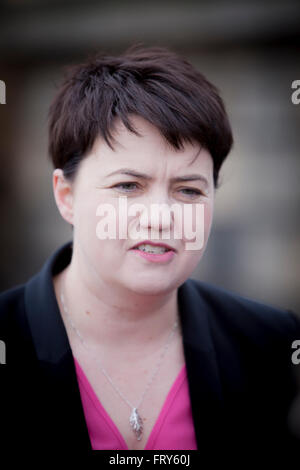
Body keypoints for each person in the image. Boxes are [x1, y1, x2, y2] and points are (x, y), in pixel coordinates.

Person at [0, 44, 299, 458]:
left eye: (189, 190)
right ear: (66, 195)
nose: (161, 217)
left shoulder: (269, 343)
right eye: (128, 186)